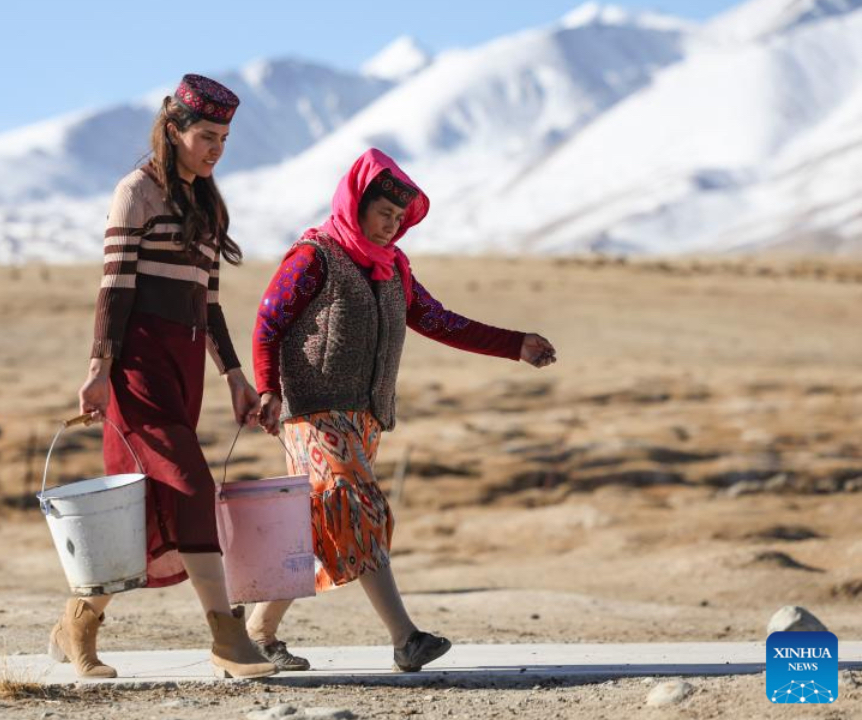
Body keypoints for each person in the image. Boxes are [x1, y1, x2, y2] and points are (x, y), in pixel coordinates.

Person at [247, 148, 557, 672]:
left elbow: (440, 321)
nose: (392, 225)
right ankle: (405, 639)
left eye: (399, 217)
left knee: (320, 524)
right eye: (384, 213)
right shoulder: (314, 257)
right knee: (360, 509)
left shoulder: (393, 268)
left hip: (364, 419)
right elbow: (267, 322)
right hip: (313, 414)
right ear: (357, 205)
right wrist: (266, 389)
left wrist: (515, 344)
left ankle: (257, 633)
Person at [54, 74, 276, 680]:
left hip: (185, 369)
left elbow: (209, 302)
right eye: (206, 136)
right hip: (138, 370)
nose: (216, 149)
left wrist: (234, 376)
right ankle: (227, 636)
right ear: (173, 130)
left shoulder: (207, 203)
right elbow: (114, 290)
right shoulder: (136, 192)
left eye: (224, 139)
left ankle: (78, 621)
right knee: (193, 487)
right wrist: (99, 370)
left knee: (144, 510)